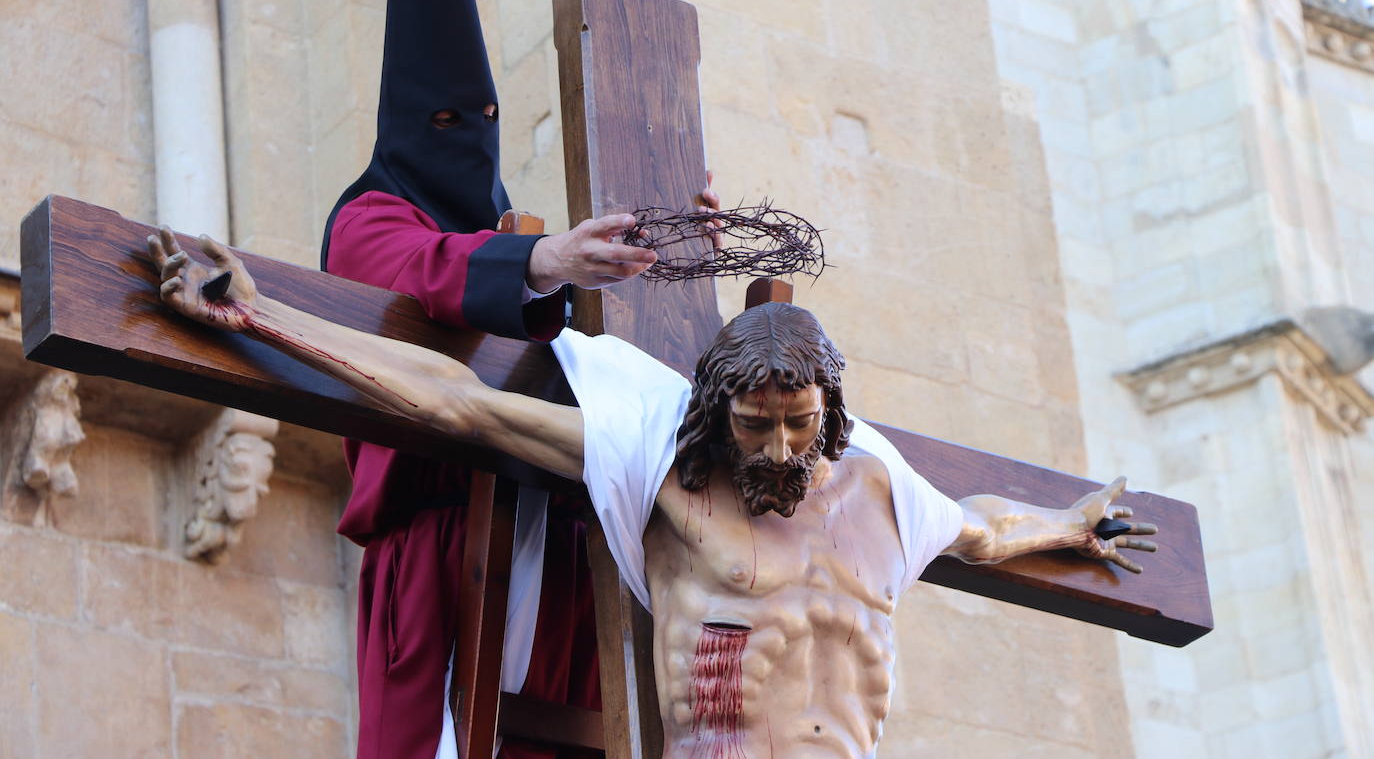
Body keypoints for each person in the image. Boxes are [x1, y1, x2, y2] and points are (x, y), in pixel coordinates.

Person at [148, 231, 1160, 758]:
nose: (777, 447)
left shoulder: (886, 487)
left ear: (831, 412)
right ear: (718, 413)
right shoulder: (665, 465)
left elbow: (985, 529)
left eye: (799, 425)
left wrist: (1069, 525)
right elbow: (458, 405)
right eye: (754, 426)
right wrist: (266, 318)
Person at [319, 0, 718, 755]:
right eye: (444, 125)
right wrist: (541, 260)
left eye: (479, 128)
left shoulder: (515, 229)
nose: (462, 145)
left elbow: (612, 358)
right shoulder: (370, 216)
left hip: (570, 545)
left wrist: (676, 256)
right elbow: (422, 269)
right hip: (440, 548)